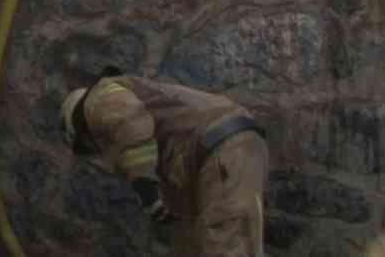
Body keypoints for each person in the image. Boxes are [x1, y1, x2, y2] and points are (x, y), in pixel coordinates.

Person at [61, 71, 268, 256]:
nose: (100, 151)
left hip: (222, 150)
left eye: (89, 146)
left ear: (81, 129)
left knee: (228, 246)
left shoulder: (99, 98)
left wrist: (145, 187)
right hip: (219, 155)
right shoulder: (168, 143)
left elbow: (129, 123)